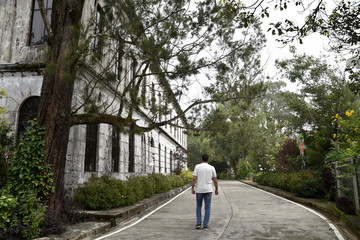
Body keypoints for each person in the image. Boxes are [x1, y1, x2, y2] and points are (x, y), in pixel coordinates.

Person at [191, 154, 218, 230]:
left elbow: (194, 179)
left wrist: (192, 188)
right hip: (208, 190)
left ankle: (199, 223)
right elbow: (215, 180)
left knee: (198, 206)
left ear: (201, 159)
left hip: (199, 189)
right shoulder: (211, 168)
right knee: (207, 207)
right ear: (208, 159)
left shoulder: (197, 167)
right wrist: (216, 189)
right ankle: (205, 224)